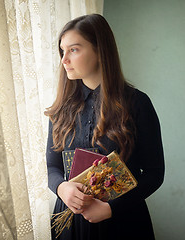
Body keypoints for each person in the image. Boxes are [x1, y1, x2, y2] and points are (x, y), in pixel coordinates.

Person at [45, 14, 164, 240]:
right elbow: (52, 167)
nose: (64, 60)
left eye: (74, 49)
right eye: (63, 50)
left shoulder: (137, 103)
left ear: (100, 51)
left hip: (123, 223)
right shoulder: (60, 108)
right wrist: (63, 189)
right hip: (69, 223)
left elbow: (154, 173)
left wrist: (111, 209)